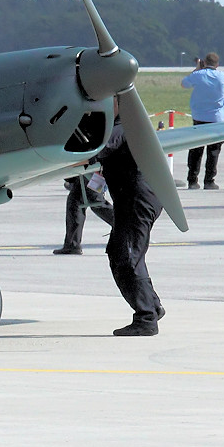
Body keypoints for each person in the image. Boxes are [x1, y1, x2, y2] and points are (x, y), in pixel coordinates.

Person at [89, 98, 165, 336]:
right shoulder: (124, 126)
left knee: (127, 255)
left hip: (137, 200)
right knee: (122, 252)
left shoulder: (121, 128)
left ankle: (146, 318)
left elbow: (91, 153)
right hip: (134, 199)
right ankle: (151, 306)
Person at [181, 53, 224, 189]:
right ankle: (209, 180)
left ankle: (192, 180)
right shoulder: (223, 76)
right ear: (217, 64)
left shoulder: (198, 75)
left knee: (196, 150)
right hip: (217, 118)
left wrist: (197, 69)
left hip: (199, 117)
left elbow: (184, 83)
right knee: (213, 151)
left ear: (204, 62)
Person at [53, 172, 114, 255]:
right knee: (77, 202)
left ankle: (129, 226)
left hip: (90, 170)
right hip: (90, 171)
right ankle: (72, 245)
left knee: (95, 202)